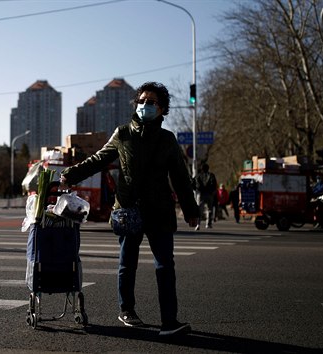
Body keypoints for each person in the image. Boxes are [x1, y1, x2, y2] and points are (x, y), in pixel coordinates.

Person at [60, 82, 198, 337]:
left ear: (162, 109)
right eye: (143, 100)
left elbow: (180, 177)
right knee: (127, 263)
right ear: (136, 104)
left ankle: (169, 321)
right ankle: (127, 310)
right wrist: (70, 174)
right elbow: (99, 159)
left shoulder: (168, 139)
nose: (146, 105)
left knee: (165, 266)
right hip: (129, 210)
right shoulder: (123, 134)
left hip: (160, 211)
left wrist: (191, 210)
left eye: (152, 102)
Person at [193, 163, 217, 230]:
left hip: (200, 194)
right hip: (209, 194)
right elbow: (214, 184)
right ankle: (208, 224)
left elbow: (193, 183)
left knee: (199, 210)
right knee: (209, 209)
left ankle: (198, 224)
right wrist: (212, 191)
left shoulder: (198, 175)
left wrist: (196, 190)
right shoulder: (211, 175)